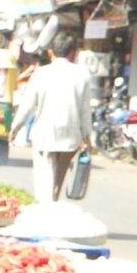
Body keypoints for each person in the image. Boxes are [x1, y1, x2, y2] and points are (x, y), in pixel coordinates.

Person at [13, 31, 94, 201]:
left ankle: (46, 208)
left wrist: (15, 128)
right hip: (70, 136)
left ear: (51, 52)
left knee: (45, 176)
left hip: (44, 134)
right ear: (73, 52)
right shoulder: (83, 75)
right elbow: (85, 111)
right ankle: (52, 203)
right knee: (58, 178)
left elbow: (27, 105)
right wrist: (87, 137)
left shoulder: (41, 73)